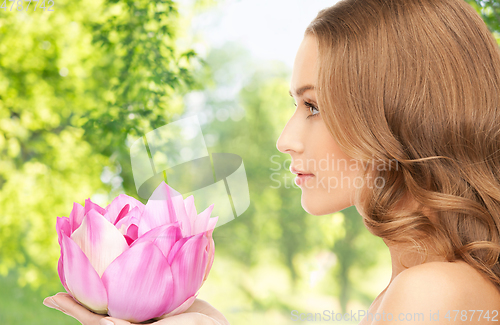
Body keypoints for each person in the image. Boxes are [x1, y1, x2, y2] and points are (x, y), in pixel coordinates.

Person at [44, 0, 500, 324]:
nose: (285, 140)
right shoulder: (426, 287)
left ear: (398, 115)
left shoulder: (432, 294)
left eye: (313, 107)